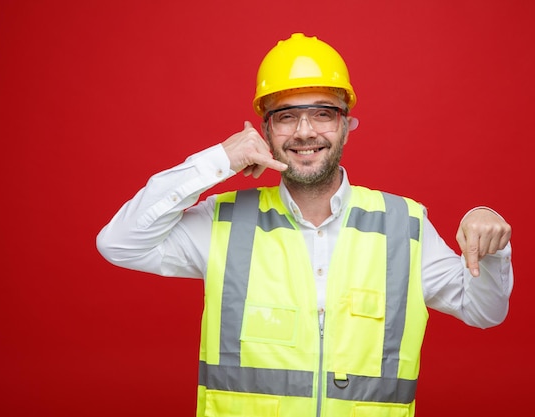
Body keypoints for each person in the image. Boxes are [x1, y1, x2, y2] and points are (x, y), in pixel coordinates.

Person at [97, 33, 513, 417]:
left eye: (323, 114)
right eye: (286, 117)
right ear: (265, 131)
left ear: (347, 127)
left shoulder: (405, 225)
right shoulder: (222, 221)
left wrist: (491, 246)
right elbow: (119, 243)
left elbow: (484, 311)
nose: (305, 131)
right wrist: (219, 159)